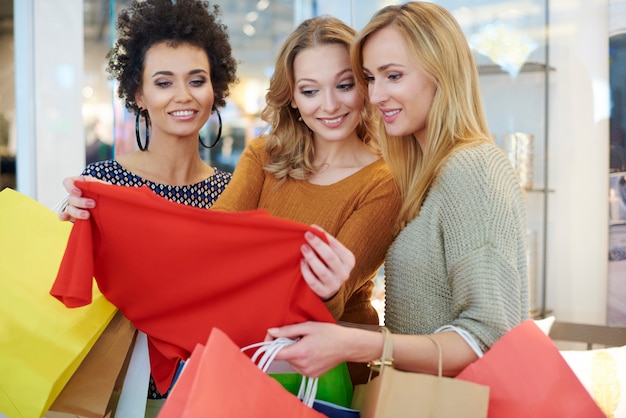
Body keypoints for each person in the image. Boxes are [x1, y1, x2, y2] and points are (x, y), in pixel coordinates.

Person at [60, 11, 400, 384]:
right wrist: (86, 220)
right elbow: (210, 244)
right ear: (293, 99)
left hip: (325, 377)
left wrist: (324, 285)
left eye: (345, 85)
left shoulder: (384, 182)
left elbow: (328, 301)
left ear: (366, 85)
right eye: (309, 90)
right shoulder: (264, 156)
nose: (330, 105)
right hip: (246, 364)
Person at [267, 1, 529, 380]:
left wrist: (359, 344)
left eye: (393, 76)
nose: (374, 97)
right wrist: (333, 335)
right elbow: (423, 330)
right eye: (370, 79)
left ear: (442, 73)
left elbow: (487, 337)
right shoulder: (424, 173)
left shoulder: (473, 167)